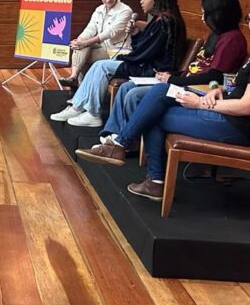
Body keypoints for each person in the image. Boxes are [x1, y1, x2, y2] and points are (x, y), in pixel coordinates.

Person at [76, 55, 250, 201]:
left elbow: (246, 107)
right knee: (162, 90)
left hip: (235, 125)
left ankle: (140, 166)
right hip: (222, 108)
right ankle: (123, 148)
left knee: (154, 114)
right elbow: (237, 86)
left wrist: (199, 103)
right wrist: (218, 89)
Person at [101, 0, 247, 139]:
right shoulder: (215, 34)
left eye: (206, 14)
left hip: (198, 90)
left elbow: (213, 75)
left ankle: (128, 139)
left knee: (135, 95)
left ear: (218, 14)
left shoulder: (232, 39)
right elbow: (196, 68)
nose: (203, 18)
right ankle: (114, 133)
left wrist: (172, 80)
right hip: (185, 82)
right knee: (126, 87)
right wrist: (172, 76)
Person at [51, 0, 187, 127]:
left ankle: (92, 113)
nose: (141, 1)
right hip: (144, 63)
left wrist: (124, 58)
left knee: (101, 66)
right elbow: (145, 46)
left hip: (152, 69)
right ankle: (77, 107)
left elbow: (146, 52)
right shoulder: (161, 19)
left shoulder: (166, 22)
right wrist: (135, 34)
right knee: (99, 65)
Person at [58, 0, 133, 87]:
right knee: (80, 47)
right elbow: (90, 29)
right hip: (102, 47)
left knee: (83, 53)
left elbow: (110, 32)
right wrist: (79, 40)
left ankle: (78, 84)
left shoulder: (126, 10)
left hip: (116, 51)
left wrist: (84, 43)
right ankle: (74, 78)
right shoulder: (99, 10)